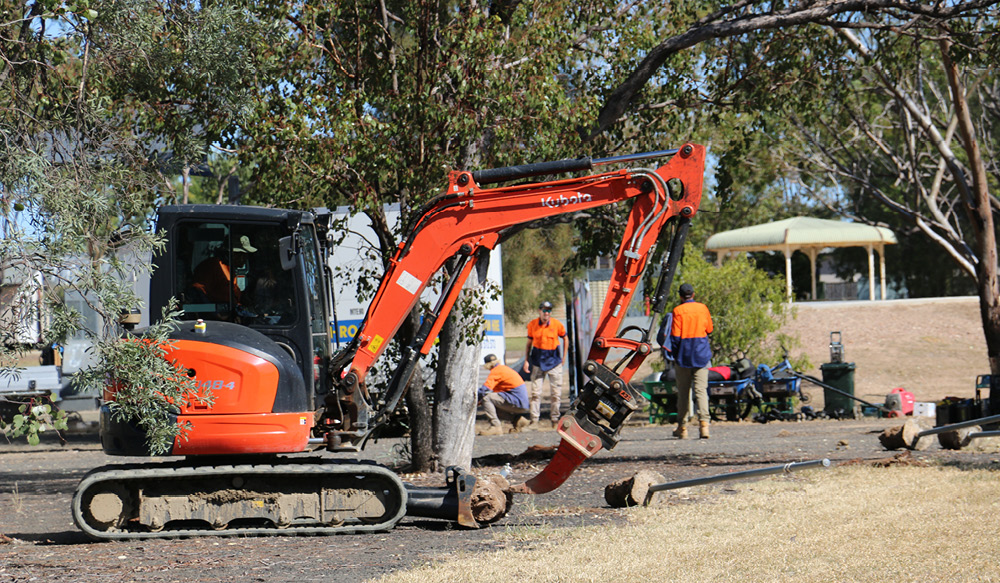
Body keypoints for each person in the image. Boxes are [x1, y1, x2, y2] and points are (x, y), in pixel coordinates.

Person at [669, 283, 714, 439]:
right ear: (693, 294)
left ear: (681, 296)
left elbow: (675, 337)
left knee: (683, 392)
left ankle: (682, 427)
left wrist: (675, 356)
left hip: (684, 355)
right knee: (701, 391)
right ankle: (704, 426)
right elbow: (709, 329)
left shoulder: (678, 311)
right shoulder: (703, 308)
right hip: (701, 354)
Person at [522, 300, 567, 427]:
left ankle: (555, 419)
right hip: (537, 362)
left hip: (554, 361)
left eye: (548, 310)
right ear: (539, 311)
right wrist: (526, 360)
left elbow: (565, 338)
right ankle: (534, 420)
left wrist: (564, 357)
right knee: (536, 393)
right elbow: (528, 344)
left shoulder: (557, 324)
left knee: (556, 393)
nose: (546, 313)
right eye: (544, 310)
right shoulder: (532, 325)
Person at [477, 354, 530, 436]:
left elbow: (484, 390)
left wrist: (475, 399)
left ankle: (495, 427)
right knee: (492, 406)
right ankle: (518, 420)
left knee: (487, 399)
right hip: (522, 403)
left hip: (517, 402)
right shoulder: (503, 369)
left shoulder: (496, 371)